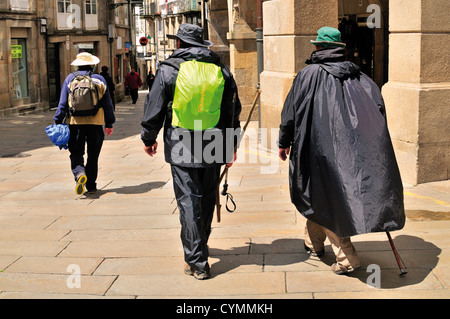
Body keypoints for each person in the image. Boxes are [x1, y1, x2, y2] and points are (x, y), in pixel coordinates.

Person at [278, 27, 405, 275]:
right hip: (351, 148)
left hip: (318, 148)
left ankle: (346, 256)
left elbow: (290, 114)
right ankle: (313, 241)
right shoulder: (362, 78)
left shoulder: (307, 75)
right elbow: (379, 112)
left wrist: (284, 141)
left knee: (325, 195)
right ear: (340, 49)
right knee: (319, 194)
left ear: (317, 48)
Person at [141, 23, 241, 280]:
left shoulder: (169, 69)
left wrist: (148, 137)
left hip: (181, 140)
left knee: (188, 200)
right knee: (207, 198)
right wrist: (231, 146)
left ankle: (197, 261)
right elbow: (232, 110)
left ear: (179, 44)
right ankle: (200, 247)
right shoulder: (221, 69)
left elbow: (155, 107)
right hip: (213, 140)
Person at [53, 52, 115, 195]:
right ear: (92, 65)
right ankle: (91, 185)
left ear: (77, 64)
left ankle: (79, 172)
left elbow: (62, 103)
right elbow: (108, 104)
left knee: (76, 152)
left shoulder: (70, 79)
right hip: (96, 122)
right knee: (93, 155)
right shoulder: (99, 79)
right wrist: (109, 123)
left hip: (75, 123)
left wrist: (57, 121)